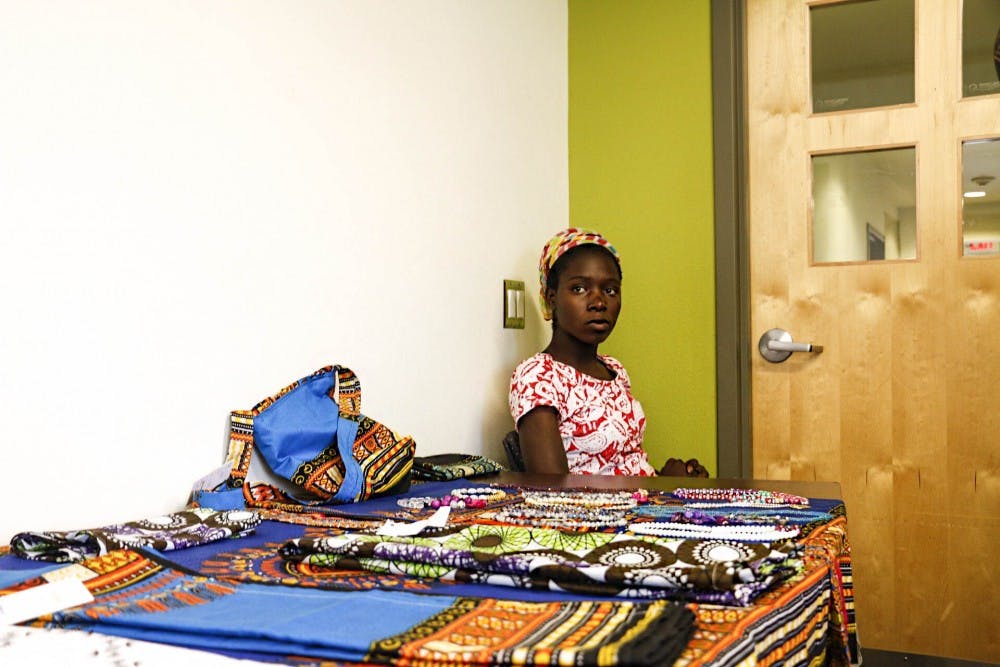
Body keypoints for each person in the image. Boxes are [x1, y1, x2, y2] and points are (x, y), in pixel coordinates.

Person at [508, 227, 709, 477]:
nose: (599, 302)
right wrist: (659, 490)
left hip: (641, 507)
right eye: (579, 289)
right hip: (591, 514)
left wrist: (667, 479)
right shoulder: (538, 376)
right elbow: (554, 491)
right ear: (551, 298)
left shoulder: (614, 370)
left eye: (610, 290)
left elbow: (620, 467)